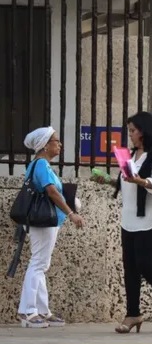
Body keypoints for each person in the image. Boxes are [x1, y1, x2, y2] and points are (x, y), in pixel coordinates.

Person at [94, 112, 152, 333]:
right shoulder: (131, 156)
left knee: (144, 262)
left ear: (144, 131)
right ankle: (132, 314)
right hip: (130, 220)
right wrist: (107, 180)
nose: (130, 135)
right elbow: (126, 184)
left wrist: (141, 180)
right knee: (130, 268)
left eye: (133, 131)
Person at [17, 127, 85, 328]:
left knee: (41, 265)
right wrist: (72, 214)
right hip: (43, 221)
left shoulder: (43, 165)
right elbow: (52, 192)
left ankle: (43, 310)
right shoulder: (41, 165)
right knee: (38, 263)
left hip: (50, 222)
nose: (60, 145)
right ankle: (28, 311)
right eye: (56, 141)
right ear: (45, 145)